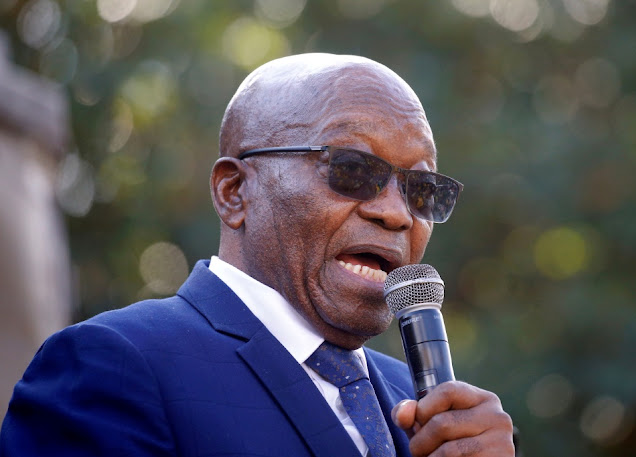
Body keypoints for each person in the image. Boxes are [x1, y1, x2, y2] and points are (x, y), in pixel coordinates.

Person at [0, 53, 514, 456]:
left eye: (421, 190)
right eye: (354, 170)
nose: (397, 214)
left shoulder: (426, 409)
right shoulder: (113, 368)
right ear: (234, 192)